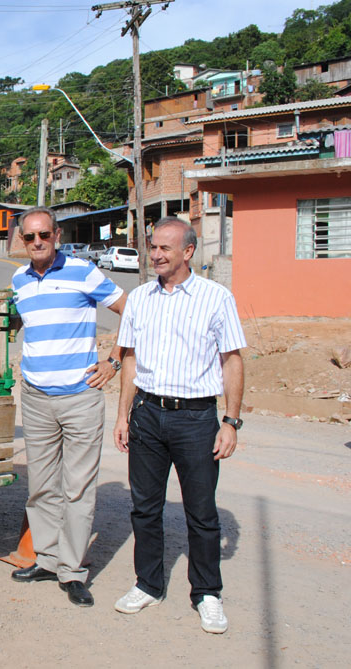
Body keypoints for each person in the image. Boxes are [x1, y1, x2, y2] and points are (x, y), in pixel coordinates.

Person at [0, 207, 126, 608]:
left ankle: (72, 572)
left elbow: (132, 311)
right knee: (41, 487)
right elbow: (16, 317)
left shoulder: (83, 272)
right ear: (20, 241)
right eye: (29, 237)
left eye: (44, 235)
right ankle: (48, 558)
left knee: (77, 488)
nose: (37, 242)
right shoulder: (21, 280)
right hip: (37, 398)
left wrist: (113, 362)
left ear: (57, 234)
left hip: (79, 397)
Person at [112, 216, 246, 634]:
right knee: (145, 509)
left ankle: (207, 593)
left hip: (195, 419)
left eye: (164, 248)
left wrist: (231, 422)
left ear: (188, 252)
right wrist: (122, 414)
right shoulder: (139, 299)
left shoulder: (216, 298)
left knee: (202, 512)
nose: (155, 255)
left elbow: (232, 360)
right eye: (152, 247)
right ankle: (148, 584)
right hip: (148, 415)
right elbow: (129, 358)